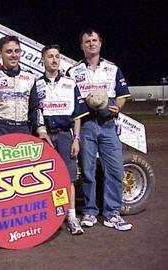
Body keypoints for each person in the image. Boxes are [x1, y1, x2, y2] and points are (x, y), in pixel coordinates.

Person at [67, 28, 132, 231]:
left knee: (114, 169)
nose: (91, 44)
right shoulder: (73, 71)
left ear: (100, 43)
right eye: (87, 41)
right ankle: (89, 211)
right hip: (86, 125)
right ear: (82, 46)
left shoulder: (112, 69)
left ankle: (112, 213)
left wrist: (117, 108)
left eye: (94, 40)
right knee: (87, 170)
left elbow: (122, 94)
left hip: (108, 125)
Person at [37, 44, 89, 235]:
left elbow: (77, 115)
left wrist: (76, 138)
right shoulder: (36, 84)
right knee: (44, 179)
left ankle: (72, 217)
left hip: (66, 135)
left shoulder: (70, 83)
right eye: (50, 56)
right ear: (43, 59)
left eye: (57, 56)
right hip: (45, 136)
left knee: (69, 178)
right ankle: (50, 217)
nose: (54, 60)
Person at [0, 35, 50, 145]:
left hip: (23, 129)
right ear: (0, 54)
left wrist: (42, 131)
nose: (13, 55)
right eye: (9, 51)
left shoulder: (30, 78)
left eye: (17, 51)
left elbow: (36, 109)